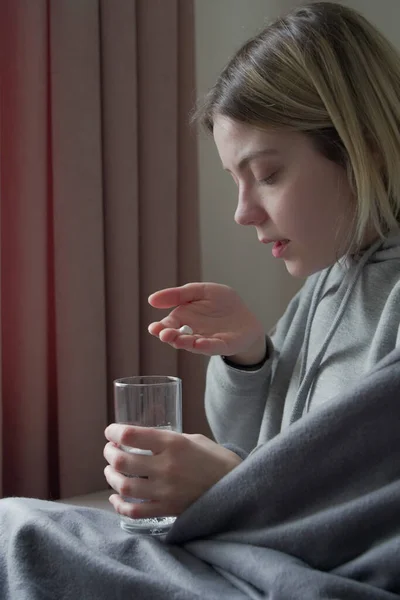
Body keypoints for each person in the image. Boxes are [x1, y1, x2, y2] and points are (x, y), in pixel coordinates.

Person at [1, 3, 400, 598]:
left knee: (17, 531)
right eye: (236, 182)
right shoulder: (323, 288)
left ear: (363, 148)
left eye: (266, 174)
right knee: (17, 525)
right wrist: (250, 357)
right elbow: (257, 445)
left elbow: (369, 522)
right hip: (249, 556)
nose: (243, 213)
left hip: (300, 577)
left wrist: (229, 483)